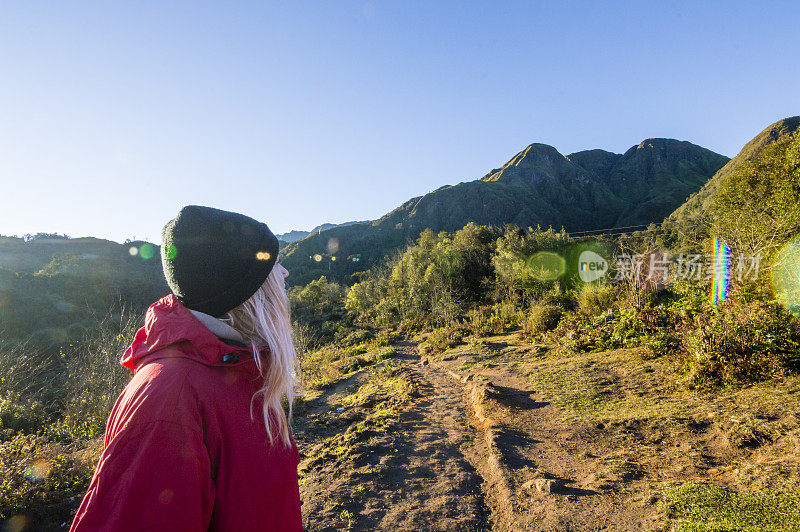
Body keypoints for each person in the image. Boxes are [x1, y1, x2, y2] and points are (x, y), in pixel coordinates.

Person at [70, 205, 303, 531]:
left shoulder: (237, 367)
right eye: (274, 264)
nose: (284, 273)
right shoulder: (168, 400)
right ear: (243, 291)